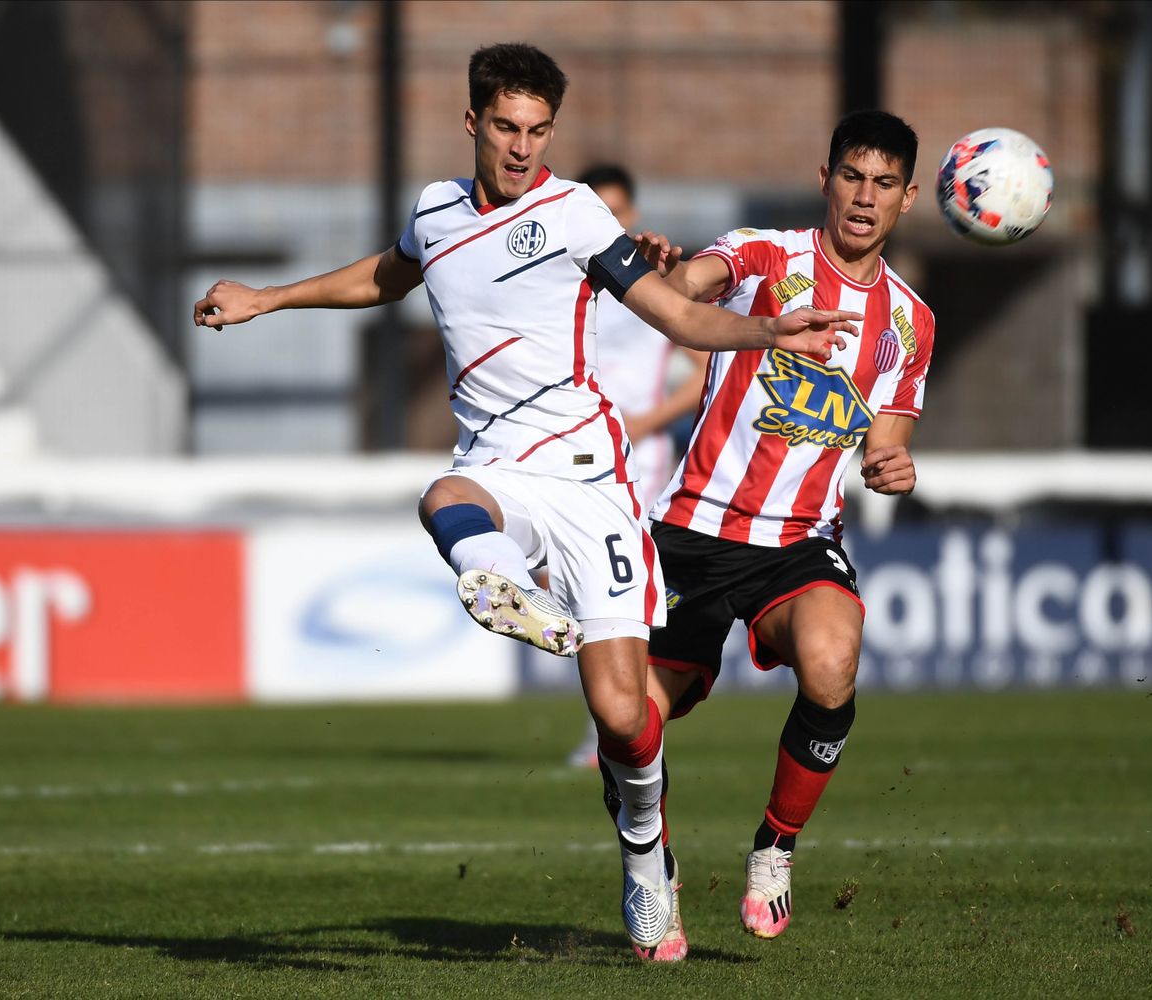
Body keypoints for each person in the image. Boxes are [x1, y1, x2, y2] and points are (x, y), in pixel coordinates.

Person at [192, 43, 858, 961]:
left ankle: (642, 859)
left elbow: (674, 313)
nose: (521, 146)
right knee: (444, 496)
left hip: (592, 480)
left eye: (539, 130)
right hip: (499, 463)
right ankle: (496, 580)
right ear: (472, 123)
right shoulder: (433, 212)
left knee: (625, 715)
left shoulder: (576, 212)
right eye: (506, 127)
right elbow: (388, 276)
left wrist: (768, 328)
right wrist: (268, 298)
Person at [621, 109, 934, 950]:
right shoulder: (766, 254)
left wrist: (891, 467)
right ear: (825, 179)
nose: (863, 198)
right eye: (851, 177)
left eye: (883, 185)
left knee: (834, 661)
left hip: (798, 539)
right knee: (629, 720)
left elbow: (886, 443)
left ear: (906, 199)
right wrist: (665, 270)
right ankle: (652, 868)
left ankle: (776, 849)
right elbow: (692, 287)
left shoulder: (910, 322)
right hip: (691, 529)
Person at [566, 163, 709, 770]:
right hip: (575, 450)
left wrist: (641, 425)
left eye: (619, 211)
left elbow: (700, 376)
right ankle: (616, 719)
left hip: (639, 458)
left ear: (632, 213)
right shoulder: (565, 275)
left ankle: (627, 726)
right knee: (576, 591)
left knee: (621, 594)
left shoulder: (651, 281)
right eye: (600, 209)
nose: (612, 221)